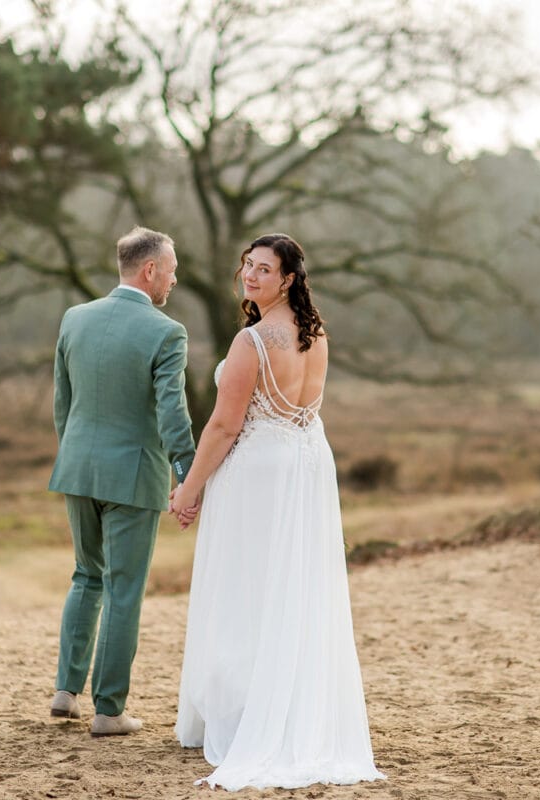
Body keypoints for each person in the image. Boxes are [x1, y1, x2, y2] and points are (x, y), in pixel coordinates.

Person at [170, 233, 385, 790]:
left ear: (288, 279)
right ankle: (283, 704)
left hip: (259, 475)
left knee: (246, 591)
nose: (250, 275)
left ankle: (244, 717)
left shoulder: (253, 341)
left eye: (263, 269)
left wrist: (190, 487)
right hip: (306, 465)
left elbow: (223, 425)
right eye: (247, 265)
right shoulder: (316, 335)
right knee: (291, 587)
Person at [47, 226, 196, 737]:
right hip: (132, 475)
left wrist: (76, 455)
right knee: (124, 588)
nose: (174, 281)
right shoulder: (166, 332)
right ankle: (109, 710)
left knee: (86, 575)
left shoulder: (75, 318)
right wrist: (187, 474)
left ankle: (65, 692)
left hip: (78, 468)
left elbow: (62, 404)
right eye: (171, 271)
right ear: (149, 270)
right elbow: (173, 413)